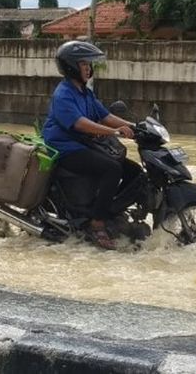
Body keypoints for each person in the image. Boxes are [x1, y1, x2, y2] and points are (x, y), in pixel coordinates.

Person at [42, 40, 138, 250]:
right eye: (83, 64)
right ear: (71, 67)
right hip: (65, 148)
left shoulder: (85, 92)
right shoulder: (63, 94)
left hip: (81, 144)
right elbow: (81, 124)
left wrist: (136, 127)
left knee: (134, 171)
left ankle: (109, 210)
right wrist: (114, 132)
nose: (88, 68)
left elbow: (104, 115)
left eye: (88, 64)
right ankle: (97, 222)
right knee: (112, 168)